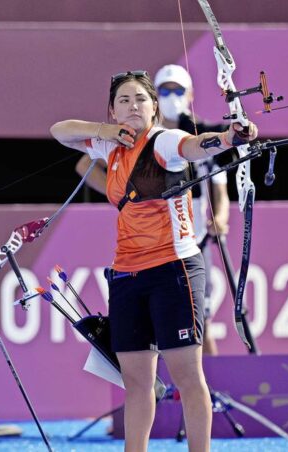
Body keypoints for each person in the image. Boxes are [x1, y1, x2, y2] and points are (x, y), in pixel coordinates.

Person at [51, 70, 258, 452]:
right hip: (128, 274)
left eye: (141, 100)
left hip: (173, 270)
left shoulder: (165, 141)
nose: (133, 106)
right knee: (136, 381)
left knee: (186, 375)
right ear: (112, 110)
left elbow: (197, 145)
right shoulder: (108, 147)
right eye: (124, 101)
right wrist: (105, 131)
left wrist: (230, 137)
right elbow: (59, 130)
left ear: (154, 107)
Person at [75, 64, 229, 356]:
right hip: (139, 258)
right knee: (144, 350)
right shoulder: (126, 139)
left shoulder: (181, 135)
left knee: (199, 325)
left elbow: (213, 173)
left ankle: (213, 385)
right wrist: (123, 196)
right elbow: (80, 159)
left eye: (178, 90)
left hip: (188, 245)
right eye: (166, 89)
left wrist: (220, 217)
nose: (173, 96)